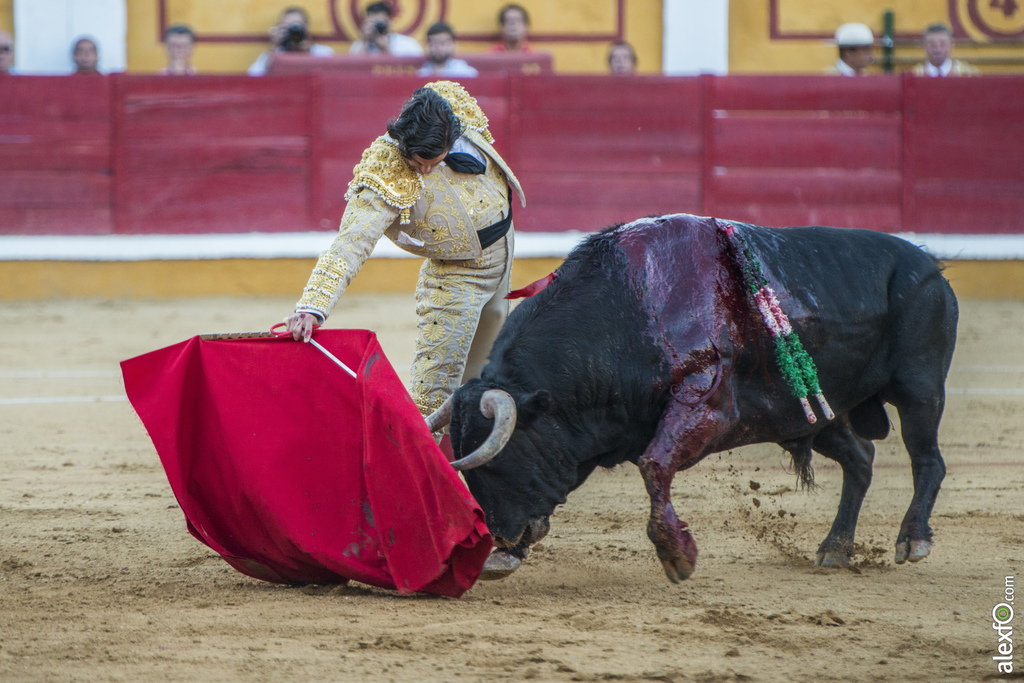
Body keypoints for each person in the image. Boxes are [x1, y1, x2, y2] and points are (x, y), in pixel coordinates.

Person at [283, 81, 525, 419]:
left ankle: (475, 451)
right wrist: (313, 306)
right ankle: (422, 465)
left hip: (505, 252)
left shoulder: (455, 104)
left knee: (491, 369)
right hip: (457, 277)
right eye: (417, 163)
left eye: (431, 161)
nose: (425, 169)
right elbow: (351, 242)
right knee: (434, 391)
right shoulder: (385, 169)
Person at [248, 6, 335, 76]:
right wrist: (274, 48)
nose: (294, 32)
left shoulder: (324, 53)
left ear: (307, 28)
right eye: (288, 28)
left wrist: (307, 52)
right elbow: (254, 76)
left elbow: (332, 77)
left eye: (297, 27)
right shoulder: (274, 55)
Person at [349, 2, 424, 57]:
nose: (376, 27)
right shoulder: (358, 45)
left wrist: (385, 49)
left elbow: (418, 71)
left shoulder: (408, 44)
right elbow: (353, 70)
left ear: (389, 21)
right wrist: (365, 42)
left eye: (379, 22)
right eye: (372, 22)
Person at [913, 22, 979, 77]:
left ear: (952, 45)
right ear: (924, 46)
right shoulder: (915, 75)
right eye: (932, 45)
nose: (937, 49)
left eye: (942, 44)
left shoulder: (968, 74)